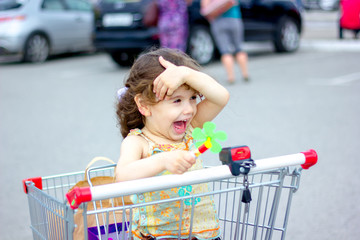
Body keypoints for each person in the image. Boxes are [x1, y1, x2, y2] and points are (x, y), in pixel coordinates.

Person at [115, 48, 229, 239]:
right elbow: (123, 176)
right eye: (176, 100)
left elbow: (221, 96)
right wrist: (162, 161)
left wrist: (186, 73)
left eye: (192, 98)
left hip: (203, 233)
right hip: (159, 235)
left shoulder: (192, 127)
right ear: (144, 105)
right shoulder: (138, 141)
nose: (189, 109)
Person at [201, 0, 249, 84]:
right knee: (239, 48)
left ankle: (231, 77)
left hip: (218, 22)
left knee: (225, 51)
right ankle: (245, 74)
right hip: (234, 19)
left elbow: (204, 8)